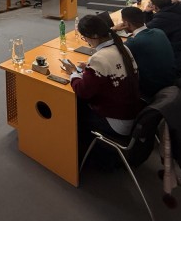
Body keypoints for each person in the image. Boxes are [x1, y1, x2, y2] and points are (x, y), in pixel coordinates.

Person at [60, 15, 142, 161]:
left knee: (72, 111)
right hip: (132, 114)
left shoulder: (99, 58)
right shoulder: (122, 48)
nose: (85, 41)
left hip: (116, 121)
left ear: (94, 36)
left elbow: (83, 91)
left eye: (85, 37)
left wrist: (73, 73)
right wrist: (89, 69)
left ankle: (76, 156)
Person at [116, 7, 176, 101]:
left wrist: (113, 30)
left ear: (126, 23)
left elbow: (114, 52)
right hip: (171, 80)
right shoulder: (159, 32)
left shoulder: (133, 43)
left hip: (151, 90)